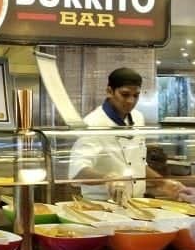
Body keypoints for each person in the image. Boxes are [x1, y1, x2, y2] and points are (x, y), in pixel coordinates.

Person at [69, 67, 184, 201]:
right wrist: (107, 179)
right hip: (102, 205)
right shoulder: (93, 124)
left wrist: (163, 183)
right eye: (125, 94)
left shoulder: (138, 118)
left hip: (136, 201)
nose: (131, 101)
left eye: (136, 95)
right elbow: (77, 171)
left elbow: (138, 164)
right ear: (109, 91)